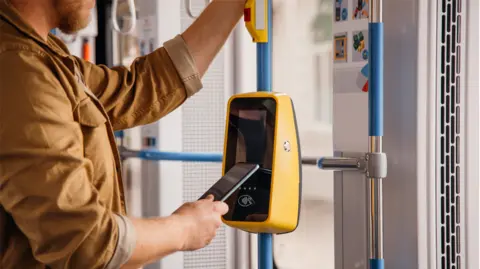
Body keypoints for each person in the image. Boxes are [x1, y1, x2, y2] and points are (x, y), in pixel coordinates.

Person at [0, 0, 245, 268]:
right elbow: (84, 241)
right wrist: (184, 229)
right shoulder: (20, 69)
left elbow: (138, 88)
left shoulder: (40, 56)